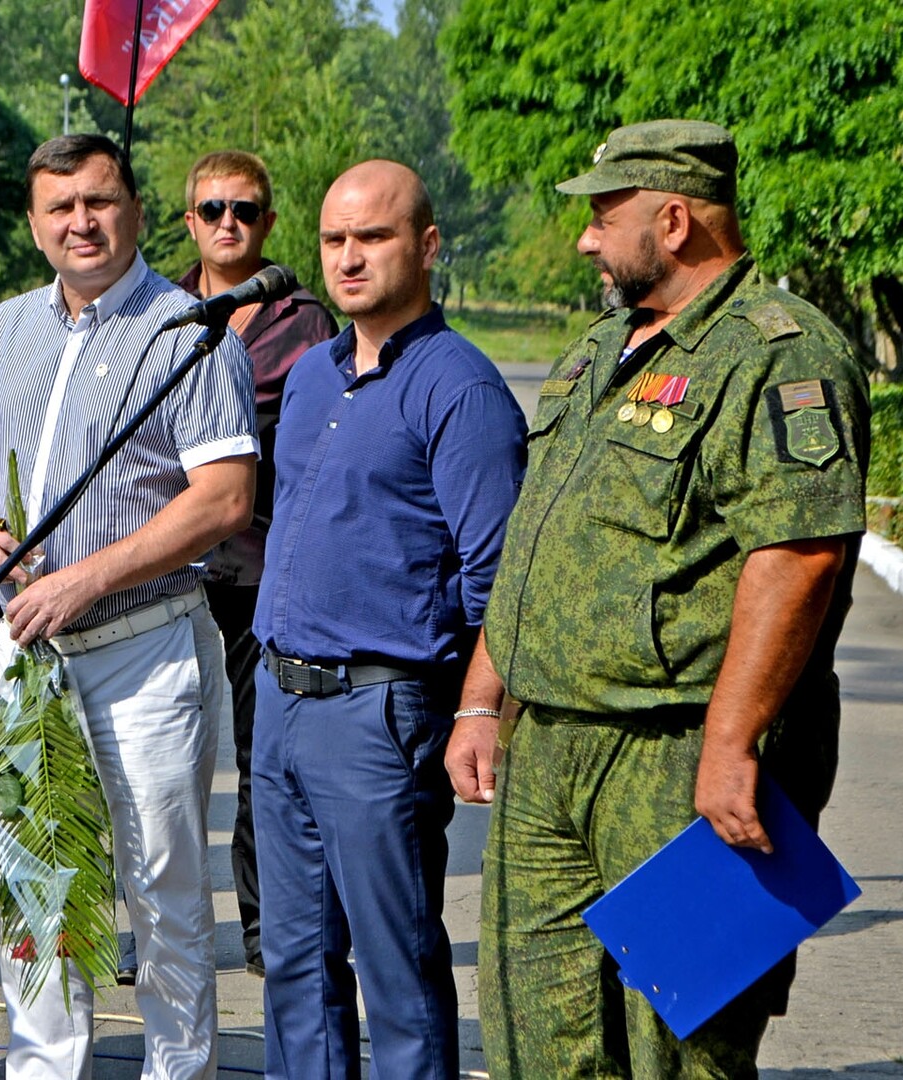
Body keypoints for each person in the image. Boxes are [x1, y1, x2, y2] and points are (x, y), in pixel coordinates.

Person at [445, 119, 871, 1077]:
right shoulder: (597, 350)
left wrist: (728, 748)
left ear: (672, 220)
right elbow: (539, 546)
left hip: (676, 755)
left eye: (603, 215)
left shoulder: (777, 354)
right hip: (548, 748)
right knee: (536, 1038)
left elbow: (798, 556)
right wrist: (484, 696)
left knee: (679, 1047)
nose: (586, 239)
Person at [0, 132, 257, 1079]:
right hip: (26, 658)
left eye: (101, 201)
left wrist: (86, 576)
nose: (83, 221)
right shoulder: (0, 331)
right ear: (33, 225)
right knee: (34, 881)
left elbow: (225, 498)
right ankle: (45, 1069)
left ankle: (176, 1068)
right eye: (61, 206)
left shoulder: (187, 332)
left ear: (137, 212)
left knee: (160, 889)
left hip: (143, 649)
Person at [251, 160, 528, 1079]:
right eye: (334, 240)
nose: (349, 257)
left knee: (395, 967)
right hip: (280, 700)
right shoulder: (312, 377)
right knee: (293, 966)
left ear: (426, 244)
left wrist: (478, 710)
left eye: (372, 237)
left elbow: (499, 579)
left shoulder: (462, 390)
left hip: (379, 712)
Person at [175, 150, 337, 979]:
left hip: (256, 573)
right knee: (160, 768)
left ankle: (261, 933)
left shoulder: (305, 321)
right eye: (212, 209)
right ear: (190, 219)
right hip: (159, 574)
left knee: (257, 762)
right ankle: (166, 937)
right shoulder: (158, 311)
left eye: (244, 209)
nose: (227, 222)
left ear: (269, 222)